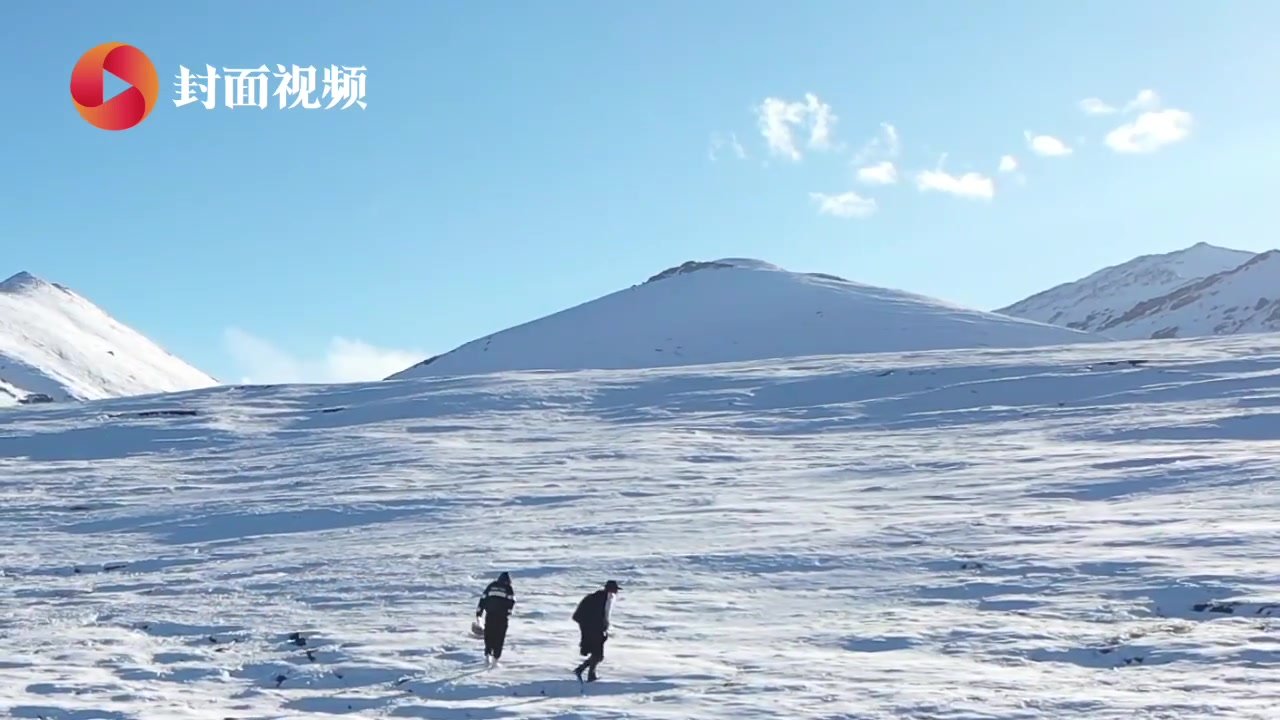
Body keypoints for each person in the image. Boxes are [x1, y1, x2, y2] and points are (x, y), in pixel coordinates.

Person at [572, 579, 619, 682]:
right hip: (591, 628)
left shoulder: (605, 598)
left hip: (594, 628)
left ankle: (581, 669)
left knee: (597, 654)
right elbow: (596, 616)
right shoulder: (600, 599)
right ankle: (589, 675)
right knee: (597, 654)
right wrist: (601, 628)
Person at [475, 571, 515, 664]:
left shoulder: (491, 586)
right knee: (499, 637)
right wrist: (508, 612)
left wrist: (479, 612)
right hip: (502, 617)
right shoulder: (508, 588)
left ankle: (488, 653)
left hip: (490, 615)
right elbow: (511, 602)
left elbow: (483, 598)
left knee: (489, 635)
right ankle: (496, 658)